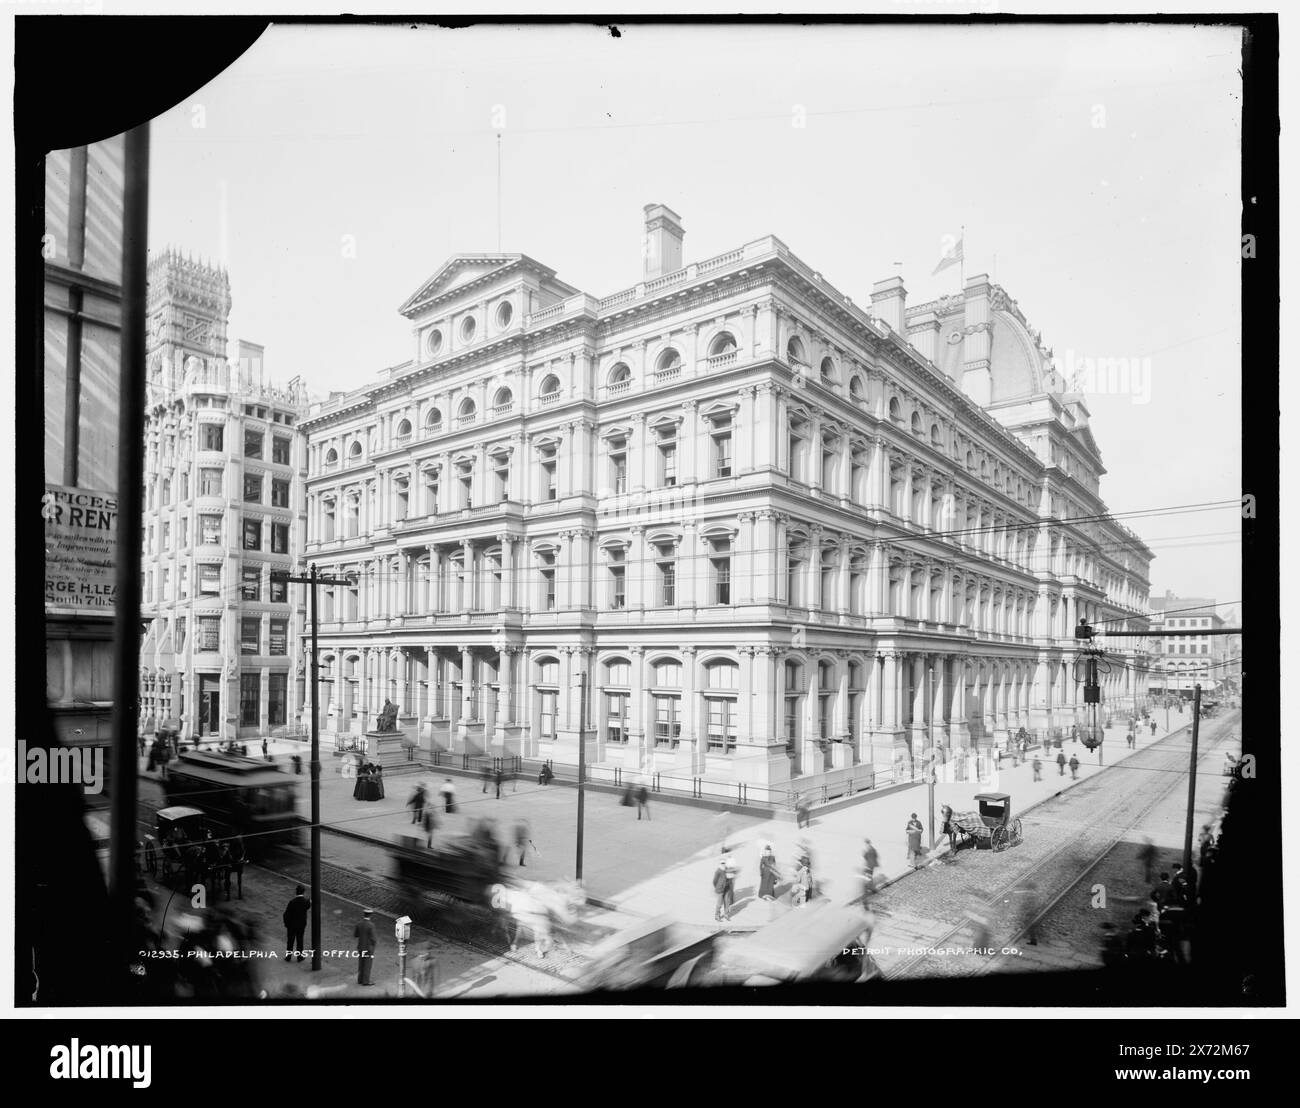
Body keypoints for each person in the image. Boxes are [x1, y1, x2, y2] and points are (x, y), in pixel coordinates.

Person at [283, 885, 311, 963]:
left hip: (291, 925)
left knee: (290, 941)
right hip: (301, 925)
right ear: (303, 892)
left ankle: (288, 957)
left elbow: (286, 914)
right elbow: (309, 905)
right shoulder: (305, 902)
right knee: (300, 940)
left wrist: (286, 924)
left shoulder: (292, 902)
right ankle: (299, 957)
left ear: (296, 891)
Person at [355, 908, 377, 986]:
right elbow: (374, 938)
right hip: (368, 948)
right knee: (367, 965)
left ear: (364, 914)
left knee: (361, 964)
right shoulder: (371, 925)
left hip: (360, 947)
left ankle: (360, 979)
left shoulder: (359, 923)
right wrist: (373, 945)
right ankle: (365, 981)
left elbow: (356, 935)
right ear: (370, 915)